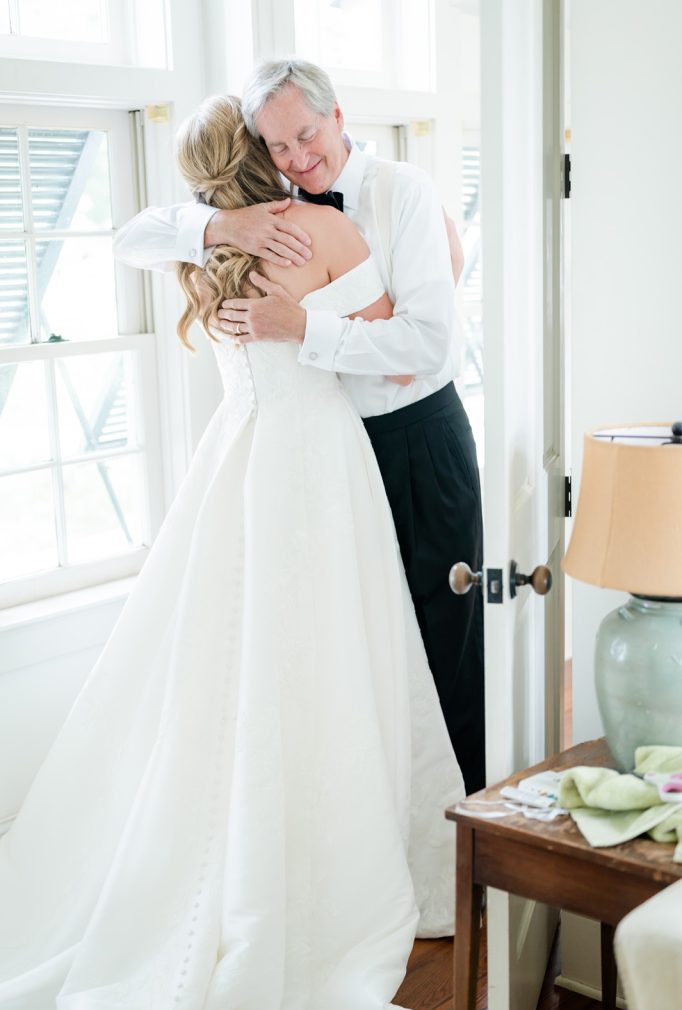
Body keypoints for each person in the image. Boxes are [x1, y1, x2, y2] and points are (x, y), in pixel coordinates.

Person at [0, 94, 463, 1010]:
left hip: (239, 459)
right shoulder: (319, 231)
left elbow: (133, 237)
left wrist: (215, 228)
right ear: (262, 151)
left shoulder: (198, 251)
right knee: (336, 655)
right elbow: (401, 356)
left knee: (235, 664)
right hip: (320, 459)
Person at [115, 58, 486, 796]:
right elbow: (132, 238)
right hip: (334, 449)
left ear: (338, 116)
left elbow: (426, 349)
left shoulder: (404, 192)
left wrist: (301, 327)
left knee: (443, 640)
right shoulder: (272, 216)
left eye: (307, 136)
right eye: (277, 147)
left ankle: (467, 821)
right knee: (360, 650)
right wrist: (220, 222)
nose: (297, 158)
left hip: (416, 436)